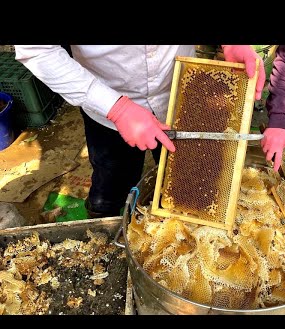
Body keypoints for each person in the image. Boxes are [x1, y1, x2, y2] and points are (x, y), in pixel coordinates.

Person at [14, 45, 265, 218]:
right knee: (112, 183)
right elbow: (37, 51)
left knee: (183, 182)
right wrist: (117, 109)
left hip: (182, 93)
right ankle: (104, 219)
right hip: (107, 101)